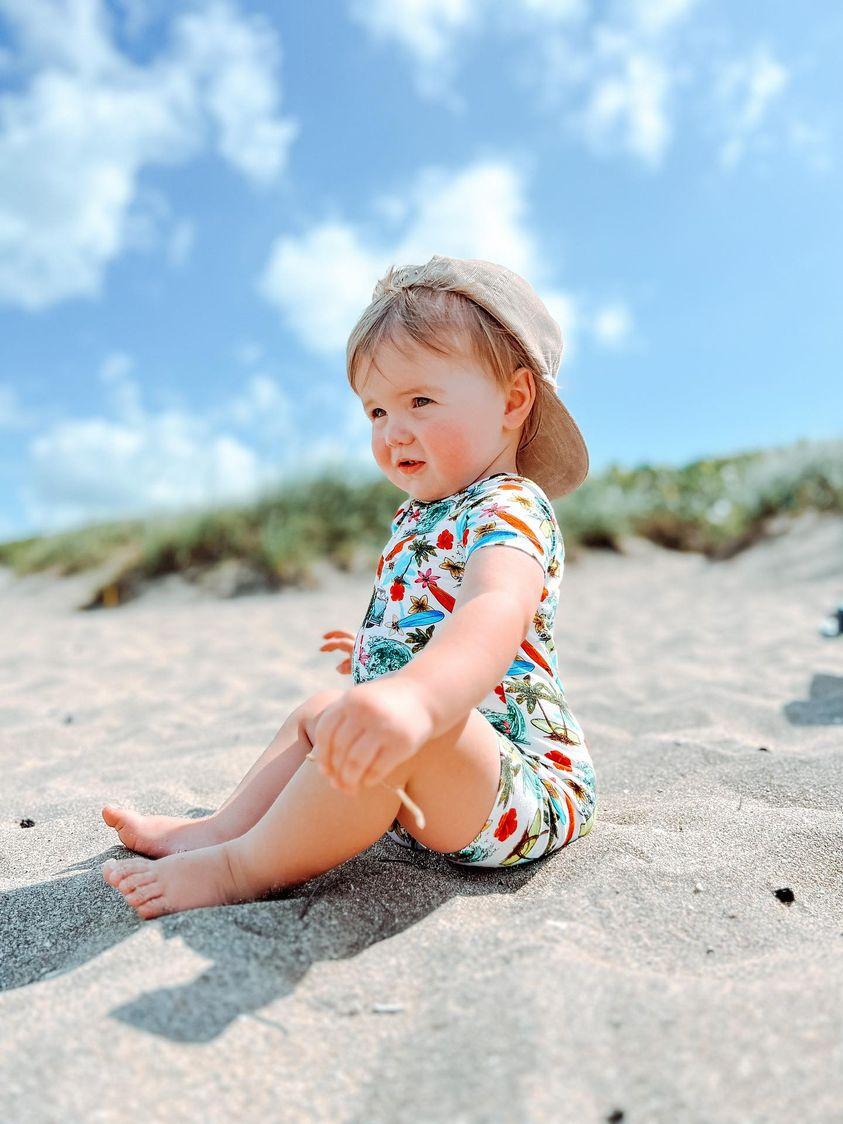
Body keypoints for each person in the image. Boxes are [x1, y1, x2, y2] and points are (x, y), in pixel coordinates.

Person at [101, 254, 598, 919]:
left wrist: (417, 697)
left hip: (520, 790)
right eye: (375, 411)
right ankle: (223, 829)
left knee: (405, 726)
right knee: (319, 710)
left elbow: (492, 609)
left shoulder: (509, 506)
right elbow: (431, 614)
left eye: (420, 400)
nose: (393, 430)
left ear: (511, 400)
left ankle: (237, 867)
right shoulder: (420, 515)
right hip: (447, 777)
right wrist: (382, 651)